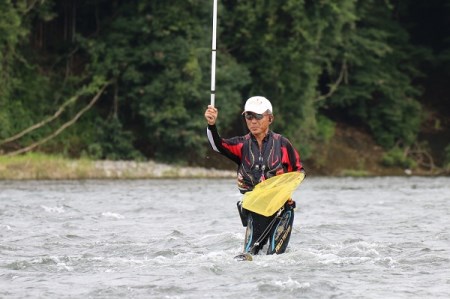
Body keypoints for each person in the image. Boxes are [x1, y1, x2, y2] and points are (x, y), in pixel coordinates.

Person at [204, 96, 305, 256]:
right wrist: (211, 124)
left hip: (281, 210)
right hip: (254, 209)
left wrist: (285, 194)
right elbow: (217, 145)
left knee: (275, 257)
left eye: (258, 116)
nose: (253, 121)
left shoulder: (283, 144)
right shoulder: (241, 145)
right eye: (249, 116)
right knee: (249, 254)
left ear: (270, 118)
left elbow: (298, 172)